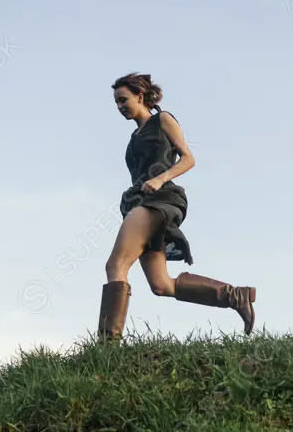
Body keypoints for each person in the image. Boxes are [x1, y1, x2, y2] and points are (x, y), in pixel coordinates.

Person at [97, 72, 256, 341]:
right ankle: (235, 296)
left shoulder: (163, 120)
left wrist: (160, 178)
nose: (120, 106)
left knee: (116, 265)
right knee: (161, 285)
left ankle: (106, 346)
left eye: (123, 100)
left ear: (139, 95)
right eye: (116, 103)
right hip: (140, 201)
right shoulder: (133, 138)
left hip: (159, 200)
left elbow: (188, 158)